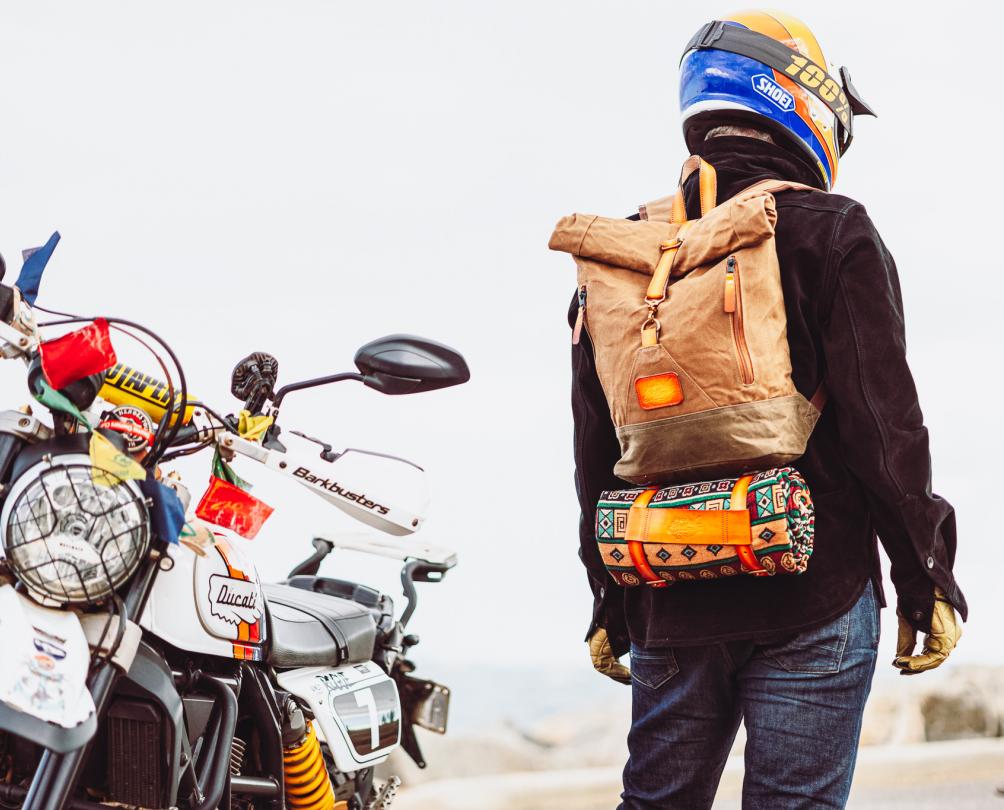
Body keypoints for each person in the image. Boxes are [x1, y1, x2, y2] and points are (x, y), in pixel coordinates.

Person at [570, 10, 966, 809]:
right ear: (801, 100)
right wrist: (928, 579)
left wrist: (609, 595)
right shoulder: (831, 230)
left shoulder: (629, 253)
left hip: (669, 591)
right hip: (812, 591)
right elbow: (884, 428)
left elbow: (597, 446)